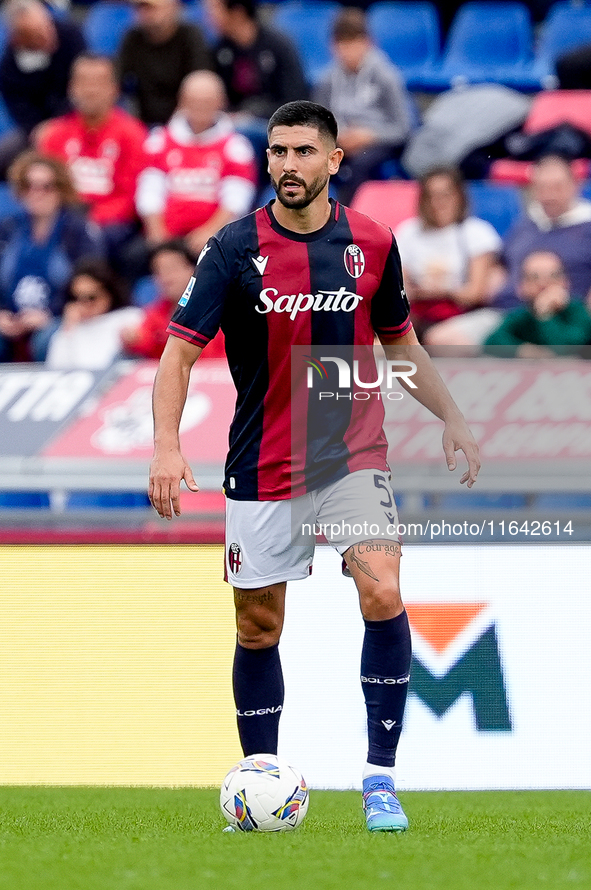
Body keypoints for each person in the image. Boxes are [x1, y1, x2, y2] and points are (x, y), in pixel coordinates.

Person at [148, 100, 480, 833]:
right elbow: (178, 353)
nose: (287, 165)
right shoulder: (233, 249)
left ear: (333, 160)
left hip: (351, 457)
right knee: (259, 625)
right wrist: (167, 445)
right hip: (262, 462)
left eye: (302, 152)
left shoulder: (372, 241)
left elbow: (401, 343)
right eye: (276, 152)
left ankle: (379, 779)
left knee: (382, 588)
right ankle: (259, 779)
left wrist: (450, 415)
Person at [36, 53, 148, 268]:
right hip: (63, 217)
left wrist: (88, 223)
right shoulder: (55, 135)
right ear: (71, 88)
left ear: (114, 89)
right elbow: (45, 186)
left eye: (98, 82)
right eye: (83, 82)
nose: (90, 90)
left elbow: (130, 197)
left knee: (87, 241)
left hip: (111, 225)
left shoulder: (132, 134)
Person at [136, 70, 257, 258]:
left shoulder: (235, 146)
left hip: (215, 237)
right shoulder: (159, 141)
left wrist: (210, 232)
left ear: (221, 102)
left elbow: (236, 200)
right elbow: (149, 191)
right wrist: (158, 233)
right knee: (133, 256)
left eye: (207, 101)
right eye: (194, 101)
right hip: (166, 235)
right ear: (182, 101)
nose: (200, 107)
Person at [0, 150, 104, 362]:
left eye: (46, 187)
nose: (37, 193)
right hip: (12, 318)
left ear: (61, 190)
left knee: (47, 339)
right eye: (29, 186)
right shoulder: (8, 229)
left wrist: (50, 314)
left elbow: (92, 280)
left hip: (58, 316)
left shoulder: (77, 231)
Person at [314, 7, 412, 204]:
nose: (348, 52)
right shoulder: (327, 80)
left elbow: (403, 129)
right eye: (343, 44)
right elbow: (318, 123)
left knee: (360, 164)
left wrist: (368, 136)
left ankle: (346, 218)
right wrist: (339, 136)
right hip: (341, 140)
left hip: (379, 141)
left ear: (368, 43)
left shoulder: (386, 77)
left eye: (354, 44)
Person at [394, 166, 502, 344]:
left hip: (463, 313)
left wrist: (441, 292)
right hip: (418, 312)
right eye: (431, 197)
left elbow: (476, 293)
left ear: (459, 197)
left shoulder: (476, 232)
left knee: (440, 340)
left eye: (445, 195)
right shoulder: (408, 232)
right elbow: (400, 288)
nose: (438, 203)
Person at [204, 0, 308, 162]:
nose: (208, 18)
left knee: (243, 131)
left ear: (237, 12)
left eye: (214, 11)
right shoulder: (220, 50)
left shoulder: (279, 45)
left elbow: (295, 100)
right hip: (233, 121)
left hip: (276, 123)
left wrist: (251, 113)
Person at [494, 154, 591, 311]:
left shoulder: (587, 227)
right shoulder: (525, 225)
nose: (549, 196)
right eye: (542, 188)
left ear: (575, 185)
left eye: (557, 187)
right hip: (507, 313)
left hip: (563, 317)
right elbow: (501, 265)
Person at [0, 0, 86, 175]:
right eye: (38, 35)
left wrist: (57, 123)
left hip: (77, 118)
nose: (49, 36)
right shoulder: (9, 66)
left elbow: (83, 85)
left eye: (48, 27)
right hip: (37, 130)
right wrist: (38, 129)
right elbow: (21, 109)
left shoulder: (70, 36)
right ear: (19, 39)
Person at [121, 239, 225, 359]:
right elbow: (146, 342)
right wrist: (133, 339)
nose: (166, 277)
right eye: (159, 271)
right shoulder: (155, 314)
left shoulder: (222, 310)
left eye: (173, 268)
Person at [117, 0, 211, 127]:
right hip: (143, 121)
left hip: (185, 123)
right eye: (140, 8)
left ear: (172, 8)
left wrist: (175, 127)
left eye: (152, 8)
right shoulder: (133, 38)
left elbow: (200, 81)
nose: (145, 14)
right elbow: (117, 79)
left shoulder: (190, 36)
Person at [484, 249, 591, 357]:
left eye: (553, 276)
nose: (543, 283)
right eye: (535, 277)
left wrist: (545, 316)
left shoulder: (577, 311)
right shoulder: (524, 314)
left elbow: (566, 349)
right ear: (521, 287)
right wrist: (523, 350)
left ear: (566, 281)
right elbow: (492, 342)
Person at [45, 257, 142, 369]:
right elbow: (55, 368)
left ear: (108, 294)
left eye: (91, 297)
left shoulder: (130, 317)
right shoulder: (70, 328)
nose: (84, 304)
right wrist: (68, 328)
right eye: (76, 298)